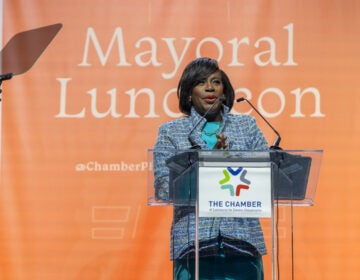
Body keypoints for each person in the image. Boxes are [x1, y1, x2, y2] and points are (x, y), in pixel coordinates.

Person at [153, 57, 268, 280]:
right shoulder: (171, 132)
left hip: (242, 242)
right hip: (193, 244)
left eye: (216, 82)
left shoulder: (246, 126)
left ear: (224, 91)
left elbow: (267, 175)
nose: (210, 88)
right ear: (188, 93)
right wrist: (209, 160)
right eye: (201, 82)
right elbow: (164, 188)